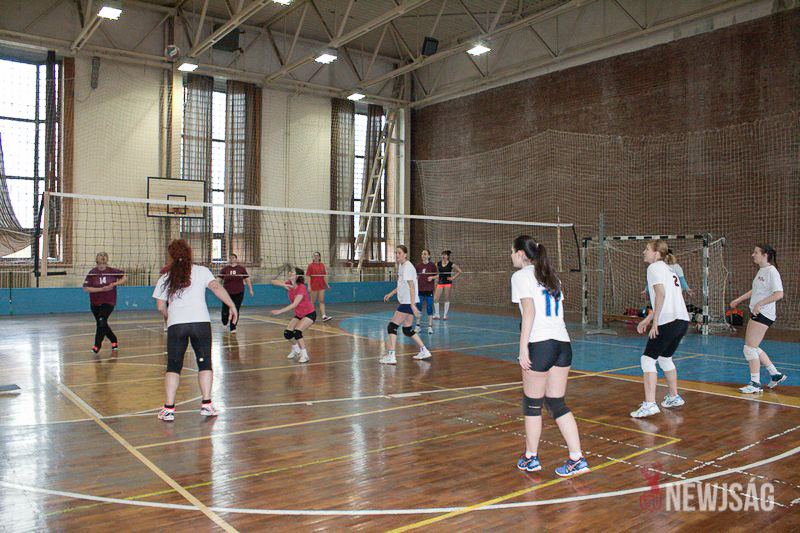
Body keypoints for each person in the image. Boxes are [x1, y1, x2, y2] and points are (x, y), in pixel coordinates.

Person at [511, 235, 589, 478]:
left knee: (532, 405)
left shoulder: (521, 276)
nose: (511, 256)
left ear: (521, 254)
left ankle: (531, 457)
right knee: (556, 403)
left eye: (512, 252)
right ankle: (577, 458)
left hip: (540, 344)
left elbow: (530, 312)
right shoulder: (551, 276)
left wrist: (523, 347)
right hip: (562, 343)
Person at [152, 239, 238, 421]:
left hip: (177, 325)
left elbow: (160, 306)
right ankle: (207, 405)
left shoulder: (165, 277)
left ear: (171, 256)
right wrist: (231, 305)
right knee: (205, 364)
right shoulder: (201, 271)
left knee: (173, 367)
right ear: (189, 253)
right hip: (201, 323)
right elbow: (216, 287)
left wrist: (169, 316)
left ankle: (168, 409)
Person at [631, 240, 689, 418]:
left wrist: (655, 321)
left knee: (647, 360)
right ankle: (673, 396)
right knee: (665, 358)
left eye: (647, 249)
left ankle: (650, 404)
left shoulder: (654, 268)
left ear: (656, 253)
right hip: (681, 320)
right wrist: (648, 319)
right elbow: (665, 298)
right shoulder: (669, 269)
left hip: (668, 320)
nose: (644, 252)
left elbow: (661, 294)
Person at [730, 244, 786, 393]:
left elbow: (779, 294)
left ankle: (755, 383)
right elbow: (755, 290)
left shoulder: (772, 271)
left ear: (765, 255)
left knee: (749, 348)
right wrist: (738, 300)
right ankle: (775, 374)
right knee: (753, 347)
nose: (753, 255)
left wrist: (760, 304)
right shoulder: (762, 270)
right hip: (757, 313)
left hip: (764, 313)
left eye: (756, 252)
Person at [381, 245, 432, 364]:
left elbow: (412, 286)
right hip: (408, 302)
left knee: (392, 327)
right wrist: (391, 293)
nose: (397, 255)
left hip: (408, 303)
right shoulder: (402, 266)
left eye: (399, 253)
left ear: (405, 254)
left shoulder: (408, 267)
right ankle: (424, 351)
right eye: (396, 253)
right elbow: (401, 285)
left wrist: (413, 305)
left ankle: (391, 356)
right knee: (407, 330)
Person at [83, 252, 127, 353]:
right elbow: (86, 289)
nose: (103, 257)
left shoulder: (112, 271)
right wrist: (102, 289)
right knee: (102, 324)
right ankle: (114, 340)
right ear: (96, 259)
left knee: (102, 320)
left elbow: (125, 278)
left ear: (107, 259)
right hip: (95, 303)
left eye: (105, 255)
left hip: (108, 301)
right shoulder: (92, 272)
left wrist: (114, 284)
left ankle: (97, 345)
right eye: (101, 255)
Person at [271, 267, 315, 363]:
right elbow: (273, 281)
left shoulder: (301, 287)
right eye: (290, 272)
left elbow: (295, 304)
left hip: (309, 313)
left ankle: (305, 355)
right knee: (287, 334)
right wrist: (284, 285)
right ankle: (295, 349)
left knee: (297, 332)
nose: (290, 273)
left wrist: (280, 311)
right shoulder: (289, 283)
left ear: (297, 276)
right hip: (299, 314)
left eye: (293, 272)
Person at [218, 253, 254, 334]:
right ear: (229, 259)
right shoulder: (225, 269)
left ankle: (233, 327)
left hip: (239, 292)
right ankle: (224, 322)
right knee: (225, 310)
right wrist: (216, 287)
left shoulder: (241, 269)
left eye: (233, 257)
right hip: (227, 293)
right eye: (230, 258)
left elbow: (247, 279)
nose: (232, 259)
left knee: (236, 309)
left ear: (236, 259)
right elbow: (218, 279)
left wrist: (251, 289)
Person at [432, 250, 462, 320]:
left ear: (448, 256)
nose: (443, 256)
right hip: (440, 282)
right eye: (442, 254)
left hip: (447, 283)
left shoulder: (451, 264)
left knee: (446, 298)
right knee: (436, 299)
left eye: (445, 255)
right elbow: (432, 269)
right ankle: (437, 315)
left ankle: (445, 315)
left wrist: (453, 278)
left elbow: (460, 271)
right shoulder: (438, 263)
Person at [415, 249, 437, 334]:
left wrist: (432, 277)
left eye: (425, 254)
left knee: (429, 307)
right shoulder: (418, 266)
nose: (423, 255)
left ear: (428, 256)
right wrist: (416, 277)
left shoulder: (432, 265)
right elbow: (415, 276)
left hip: (429, 290)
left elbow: (438, 276)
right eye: (422, 254)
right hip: (420, 289)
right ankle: (418, 326)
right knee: (419, 306)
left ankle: (430, 327)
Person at [307, 252, 332, 322]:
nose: (316, 257)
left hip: (321, 286)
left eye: (317, 255)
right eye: (314, 256)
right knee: (313, 302)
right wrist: (309, 286)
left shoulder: (322, 265)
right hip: (314, 286)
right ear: (313, 257)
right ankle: (310, 316)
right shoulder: (310, 265)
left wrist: (327, 285)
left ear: (319, 257)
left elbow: (324, 276)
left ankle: (324, 316)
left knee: (322, 301)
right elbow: (308, 276)